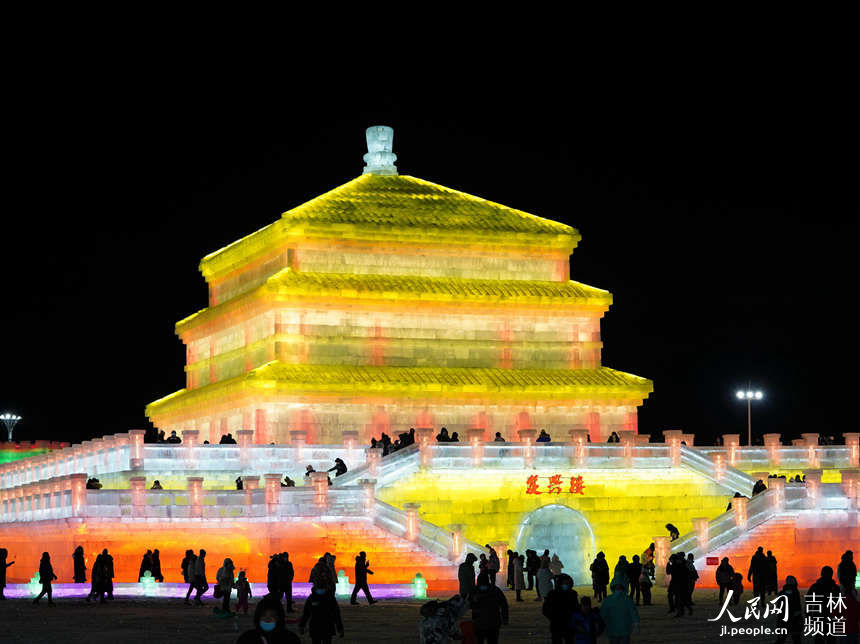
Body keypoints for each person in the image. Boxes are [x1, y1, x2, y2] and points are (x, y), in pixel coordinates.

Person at [236, 594, 301, 644]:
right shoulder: (247, 639)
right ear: (258, 617)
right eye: (263, 615)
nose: (267, 619)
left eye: (272, 616)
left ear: (278, 618)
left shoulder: (290, 639)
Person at [469, 571, 508, 644]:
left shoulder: (475, 591)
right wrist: (505, 618)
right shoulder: (495, 590)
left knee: (479, 641)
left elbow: (470, 605)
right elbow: (504, 605)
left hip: (479, 623)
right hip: (493, 622)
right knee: (492, 640)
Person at [600, 574, 639, 644]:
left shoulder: (608, 600)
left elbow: (603, 614)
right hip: (624, 629)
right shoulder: (627, 599)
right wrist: (636, 623)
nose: (618, 588)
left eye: (619, 587)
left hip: (613, 629)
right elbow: (633, 612)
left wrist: (602, 626)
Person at [542, 573, 578, 644]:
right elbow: (545, 610)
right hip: (556, 625)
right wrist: (554, 617)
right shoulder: (552, 594)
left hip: (569, 625)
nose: (566, 585)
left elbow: (576, 607)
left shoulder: (572, 594)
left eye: (568, 583)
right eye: (565, 583)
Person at [773, 575, 803, 644]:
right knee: (796, 639)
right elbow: (797, 607)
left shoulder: (781, 593)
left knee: (781, 639)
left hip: (782, 620)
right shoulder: (795, 592)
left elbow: (778, 608)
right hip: (794, 619)